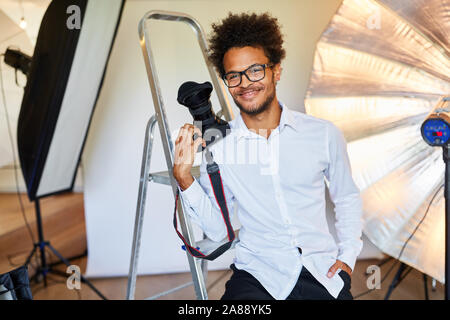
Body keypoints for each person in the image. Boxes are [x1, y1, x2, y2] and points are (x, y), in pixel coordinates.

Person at [173, 12, 362, 300]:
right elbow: (216, 230)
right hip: (258, 274)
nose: (245, 83)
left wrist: (348, 257)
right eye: (233, 76)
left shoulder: (323, 134)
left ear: (276, 70)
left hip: (322, 272)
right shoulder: (219, 146)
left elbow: (346, 197)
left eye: (256, 70)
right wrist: (184, 177)